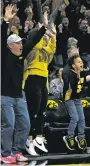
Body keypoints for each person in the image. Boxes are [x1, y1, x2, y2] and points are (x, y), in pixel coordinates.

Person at [1, 4, 47, 163]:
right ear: (9, 46)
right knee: (9, 125)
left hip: (19, 95)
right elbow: (1, 38)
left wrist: (43, 29)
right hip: (4, 96)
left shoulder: (21, 55)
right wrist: (5, 21)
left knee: (25, 124)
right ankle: (5, 154)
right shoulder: (3, 55)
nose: (21, 45)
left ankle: (17, 151)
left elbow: (32, 42)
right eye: (18, 43)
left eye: (21, 43)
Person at [24, 21, 56, 155]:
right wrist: (42, 30)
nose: (44, 40)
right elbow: (36, 43)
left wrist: (52, 35)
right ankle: (28, 139)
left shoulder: (44, 51)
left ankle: (38, 138)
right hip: (32, 77)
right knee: (33, 111)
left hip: (43, 79)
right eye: (42, 38)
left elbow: (52, 47)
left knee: (42, 111)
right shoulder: (31, 48)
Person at [62, 55, 90, 151]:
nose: (81, 63)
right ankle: (69, 136)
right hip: (69, 98)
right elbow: (72, 85)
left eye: (81, 62)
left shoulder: (82, 72)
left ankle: (80, 137)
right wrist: (84, 79)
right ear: (73, 65)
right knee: (75, 117)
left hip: (77, 98)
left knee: (82, 118)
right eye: (78, 62)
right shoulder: (69, 73)